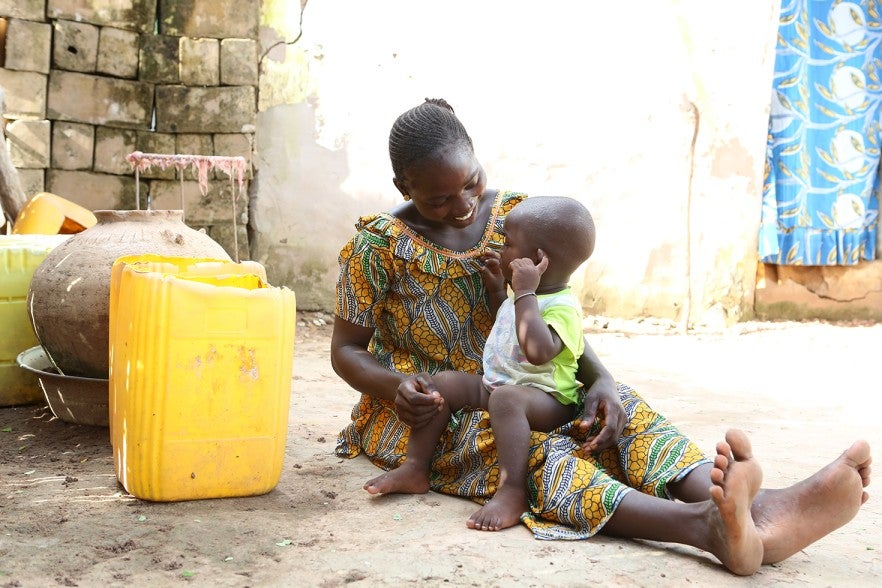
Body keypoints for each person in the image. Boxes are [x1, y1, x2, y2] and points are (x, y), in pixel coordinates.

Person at [331, 98, 872, 576]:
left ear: (477, 158)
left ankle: (754, 510)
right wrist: (401, 386)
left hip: (531, 377)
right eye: (440, 199)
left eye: (471, 181)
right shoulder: (378, 249)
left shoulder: (517, 219)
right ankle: (700, 526)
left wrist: (604, 379)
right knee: (531, 452)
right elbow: (345, 353)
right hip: (432, 408)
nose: (464, 204)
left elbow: (552, 315)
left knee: (616, 414)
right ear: (405, 188)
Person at [364, 196, 595, 532]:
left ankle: (512, 489)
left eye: (509, 244)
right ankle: (415, 467)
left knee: (506, 399)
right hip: (500, 386)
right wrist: (496, 292)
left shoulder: (562, 307)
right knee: (439, 383)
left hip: (547, 400)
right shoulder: (524, 296)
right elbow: (509, 322)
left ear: (538, 260)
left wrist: (525, 292)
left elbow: (538, 351)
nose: (502, 250)